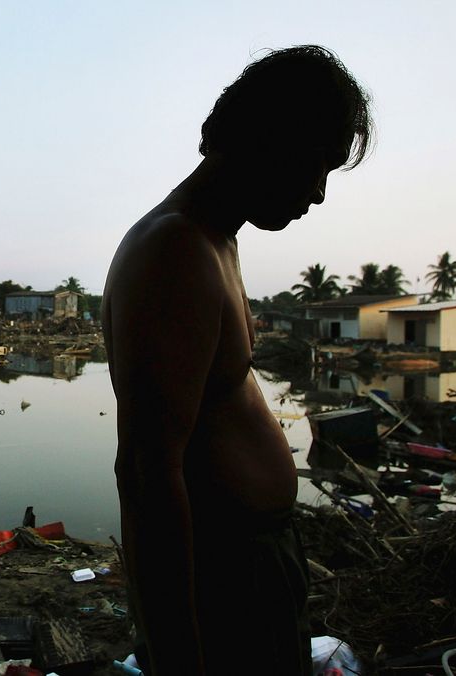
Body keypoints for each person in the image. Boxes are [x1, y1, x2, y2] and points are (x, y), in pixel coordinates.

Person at [102, 45, 373, 675]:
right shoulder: (175, 250)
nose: (319, 193)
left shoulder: (215, 239)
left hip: (250, 560)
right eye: (317, 166)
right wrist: (179, 658)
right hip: (224, 573)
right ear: (269, 139)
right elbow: (147, 474)